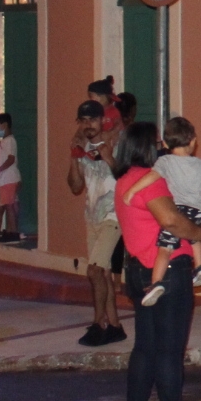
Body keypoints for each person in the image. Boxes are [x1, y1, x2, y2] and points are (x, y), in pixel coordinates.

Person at [115, 122, 201, 401]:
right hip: (168, 270)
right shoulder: (151, 182)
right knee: (170, 349)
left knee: (145, 347)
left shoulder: (124, 181)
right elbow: (170, 220)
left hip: (137, 268)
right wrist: (199, 233)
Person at [66, 101, 126, 347]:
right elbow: (75, 187)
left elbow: (127, 177)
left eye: (92, 119)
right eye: (83, 120)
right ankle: (115, 326)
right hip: (92, 217)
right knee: (103, 274)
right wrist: (74, 157)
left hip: (114, 216)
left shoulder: (115, 143)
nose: (88, 125)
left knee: (93, 271)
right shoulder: (82, 148)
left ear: (102, 120)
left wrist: (109, 158)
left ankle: (98, 323)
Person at [143, 117, 201, 305]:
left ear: (165, 143)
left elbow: (152, 176)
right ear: (193, 141)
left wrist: (132, 190)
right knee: (196, 237)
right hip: (198, 210)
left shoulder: (165, 161)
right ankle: (200, 266)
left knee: (165, 248)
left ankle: (156, 282)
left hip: (178, 209)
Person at [0, 114, 21, 242]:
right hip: (5, 179)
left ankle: (13, 232)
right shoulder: (5, 141)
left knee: (9, 206)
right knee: (8, 205)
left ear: (5, 124)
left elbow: (11, 159)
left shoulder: (9, 140)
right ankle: (11, 231)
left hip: (8, 179)